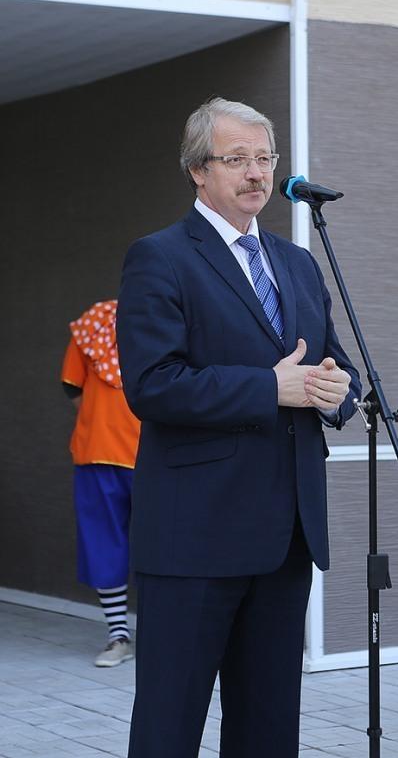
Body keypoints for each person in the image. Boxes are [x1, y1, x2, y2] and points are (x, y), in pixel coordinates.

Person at [116, 97, 360, 758]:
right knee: (169, 729)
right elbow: (152, 384)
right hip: (195, 537)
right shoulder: (160, 257)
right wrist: (267, 387)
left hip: (285, 540)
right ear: (198, 170)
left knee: (267, 731)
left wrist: (336, 392)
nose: (256, 173)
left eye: (264, 158)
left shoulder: (298, 262)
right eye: (237, 159)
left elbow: (335, 365)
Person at [61, 299, 140, 667]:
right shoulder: (94, 322)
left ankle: (161, 634)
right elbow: (72, 387)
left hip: (158, 459)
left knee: (165, 549)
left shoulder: (169, 317)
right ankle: (118, 635)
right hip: (99, 453)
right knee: (104, 544)